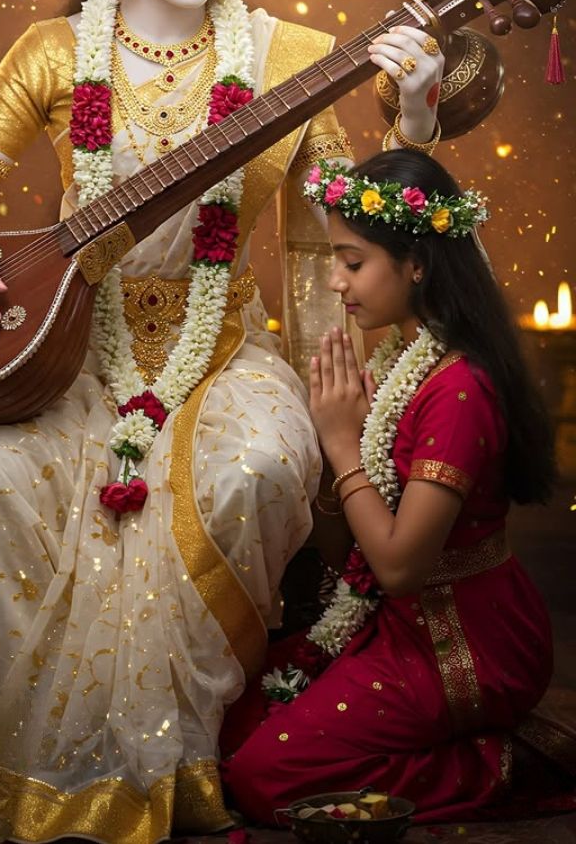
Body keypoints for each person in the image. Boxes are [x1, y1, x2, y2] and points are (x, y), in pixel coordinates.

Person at [0, 0, 443, 842]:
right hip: (69, 351)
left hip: (220, 353)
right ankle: (28, 766)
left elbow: (352, 223)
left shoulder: (292, 59)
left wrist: (421, 114)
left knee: (251, 465)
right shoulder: (53, 53)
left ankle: (175, 761)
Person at [224, 148, 555, 825]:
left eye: (353, 263)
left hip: (466, 639)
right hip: (396, 622)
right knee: (229, 721)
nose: (338, 286)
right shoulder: (402, 358)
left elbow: (401, 566)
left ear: (417, 264)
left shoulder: (458, 390)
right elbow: (362, 540)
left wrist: (343, 444)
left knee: (263, 780)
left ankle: (496, 765)